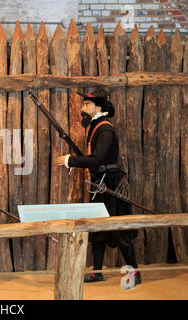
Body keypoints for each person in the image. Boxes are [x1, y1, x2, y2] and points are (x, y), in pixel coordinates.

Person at [56, 88, 141, 287]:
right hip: (100, 182)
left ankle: (135, 274)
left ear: (98, 107)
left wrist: (71, 160)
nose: (83, 107)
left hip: (110, 183)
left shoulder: (105, 129)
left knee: (119, 229)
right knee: (97, 229)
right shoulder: (96, 127)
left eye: (87, 104)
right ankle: (97, 272)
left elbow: (98, 158)